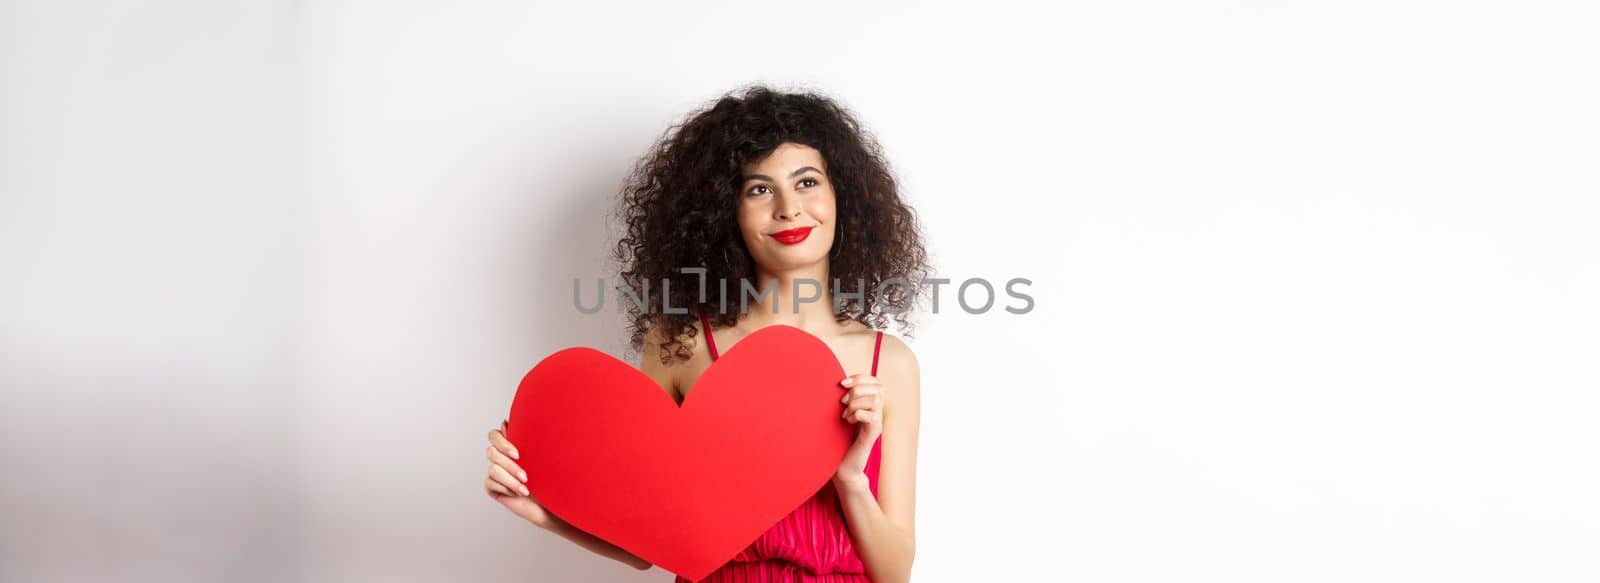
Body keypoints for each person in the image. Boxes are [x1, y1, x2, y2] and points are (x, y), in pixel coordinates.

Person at [483, 84, 930, 582]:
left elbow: (894, 573)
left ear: (841, 196)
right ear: (725, 213)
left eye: (806, 182)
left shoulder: (887, 363)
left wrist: (851, 479)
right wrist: (536, 508)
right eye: (759, 189)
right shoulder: (683, 344)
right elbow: (643, 543)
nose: (787, 207)